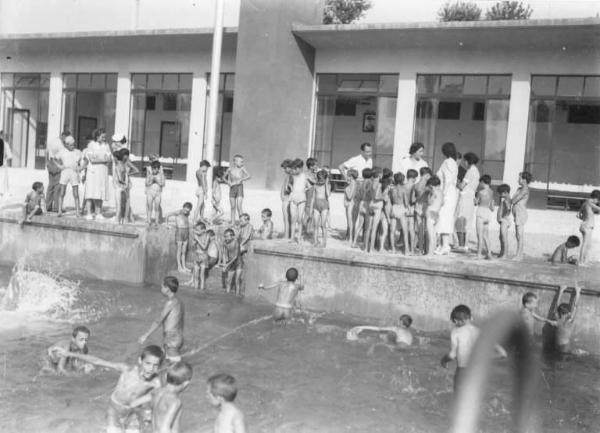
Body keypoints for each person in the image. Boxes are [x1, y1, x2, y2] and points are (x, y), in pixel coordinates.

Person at [56, 345, 164, 433]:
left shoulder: (155, 383)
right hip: (114, 411)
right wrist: (69, 354)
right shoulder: (128, 370)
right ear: (140, 360)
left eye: (155, 365)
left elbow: (159, 404)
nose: (150, 368)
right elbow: (97, 361)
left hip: (132, 415)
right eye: (148, 363)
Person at [440, 305, 506, 394]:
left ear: (456, 320)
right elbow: (502, 354)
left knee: (459, 402)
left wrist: (443, 361)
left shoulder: (456, 332)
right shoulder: (480, 332)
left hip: (462, 371)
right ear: (471, 318)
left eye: (453, 322)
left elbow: (452, 355)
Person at [130, 361, 193, 433]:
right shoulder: (175, 402)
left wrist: (142, 417)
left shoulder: (156, 392)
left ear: (166, 376)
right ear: (186, 383)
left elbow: (133, 404)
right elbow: (164, 429)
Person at [139, 276, 185, 363]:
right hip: (178, 337)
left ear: (167, 289)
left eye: (162, 287)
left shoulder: (170, 302)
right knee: (165, 362)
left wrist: (146, 335)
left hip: (172, 339)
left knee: (174, 366)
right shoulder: (179, 301)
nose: (161, 289)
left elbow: (158, 321)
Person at [82, 128, 112, 220]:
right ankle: (89, 213)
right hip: (93, 172)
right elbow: (92, 159)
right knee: (90, 192)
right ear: (97, 136)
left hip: (103, 172)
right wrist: (103, 159)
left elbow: (109, 159)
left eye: (105, 137)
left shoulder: (106, 145)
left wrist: (99, 158)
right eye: (102, 137)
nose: (104, 139)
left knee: (100, 192)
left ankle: (98, 213)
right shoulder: (91, 145)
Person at [435, 142, 459, 255]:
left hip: (447, 192)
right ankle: (441, 244)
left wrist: (443, 195)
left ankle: (445, 245)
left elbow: (448, 180)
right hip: (449, 192)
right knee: (442, 217)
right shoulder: (453, 162)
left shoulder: (448, 162)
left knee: (445, 217)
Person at [454, 152, 480, 252]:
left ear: (468, 161)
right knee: (468, 221)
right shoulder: (476, 171)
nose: (464, 162)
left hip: (465, 196)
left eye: (465, 160)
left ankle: (461, 245)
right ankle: (465, 245)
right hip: (471, 196)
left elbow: (461, 186)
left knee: (460, 220)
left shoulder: (470, 171)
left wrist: (455, 181)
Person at [545, 286, 582, 354]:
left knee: (559, 358)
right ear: (569, 313)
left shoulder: (557, 318)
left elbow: (557, 305)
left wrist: (561, 291)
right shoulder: (569, 321)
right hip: (565, 347)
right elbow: (575, 306)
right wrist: (578, 292)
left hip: (556, 345)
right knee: (565, 357)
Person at [54, 136, 83, 217]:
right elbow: (53, 159)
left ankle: (77, 211)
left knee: (76, 193)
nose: (73, 146)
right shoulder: (62, 152)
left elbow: (83, 160)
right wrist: (59, 166)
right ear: (66, 145)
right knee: (62, 192)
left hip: (74, 172)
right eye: (71, 145)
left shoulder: (77, 152)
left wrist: (80, 168)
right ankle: (59, 211)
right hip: (65, 172)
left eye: (73, 145)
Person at [346, 314, 413, 347]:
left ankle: (358, 340)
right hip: (406, 349)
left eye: (399, 320)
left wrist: (362, 327)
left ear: (401, 322)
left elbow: (378, 329)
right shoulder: (410, 333)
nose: (397, 321)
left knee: (374, 343)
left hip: (398, 347)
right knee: (388, 337)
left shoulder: (396, 328)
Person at [45, 130, 70, 212]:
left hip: (50, 162)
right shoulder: (60, 144)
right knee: (57, 187)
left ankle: (48, 206)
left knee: (51, 186)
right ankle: (56, 207)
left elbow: (47, 152)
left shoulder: (52, 141)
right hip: (57, 163)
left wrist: (47, 163)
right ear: (63, 136)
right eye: (67, 138)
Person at [190, 224, 219, 291]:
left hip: (204, 257)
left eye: (197, 230)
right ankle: (196, 289)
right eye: (195, 230)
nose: (196, 231)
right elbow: (192, 247)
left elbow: (204, 247)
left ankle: (202, 289)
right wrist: (194, 241)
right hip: (197, 256)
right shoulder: (196, 236)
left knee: (202, 276)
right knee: (196, 275)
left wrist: (197, 239)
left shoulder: (207, 236)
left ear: (203, 230)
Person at [113, 148, 139, 224]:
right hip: (119, 183)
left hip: (126, 183)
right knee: (120, 201)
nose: (125, 157)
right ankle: (123, 217)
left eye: (126, 155)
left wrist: (128, 174)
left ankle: (126, 218)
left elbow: (137, 170)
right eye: (124, 155)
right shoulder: (119, 162)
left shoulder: (127, 162)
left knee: (127, 201)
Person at [166, 203, 193, 273]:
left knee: (184, 251)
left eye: (188, 211)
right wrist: (167, 225)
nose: (186, 212)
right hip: (180, 232)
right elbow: (168, 215)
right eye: (185, 210)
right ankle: (179, 266)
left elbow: (185, 221)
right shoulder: (178, 212)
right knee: (179, 250)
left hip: (186, 231)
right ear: (183, 207)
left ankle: (184, 266)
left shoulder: (188, 214)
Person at [511, 171, 531, 261]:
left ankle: (519, 255)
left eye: (520, 178)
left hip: (521, 213)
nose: (518, 180)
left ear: (524, 180)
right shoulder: (519, 189)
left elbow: (514, 200)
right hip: (517, 213)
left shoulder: (524, 190)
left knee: (520, 234)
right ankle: (519, 254)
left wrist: (511, 200)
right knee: (517, 234)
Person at [577, 189, 600, 266]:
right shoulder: (589, 203)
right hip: (588, 226)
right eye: (598, 201)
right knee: (585, 244)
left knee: (588, 244)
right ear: (596, 198)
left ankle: (585, 261)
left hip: (584, 225)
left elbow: (578, 215)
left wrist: (585, 219)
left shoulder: (584, 203)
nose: (597, 203)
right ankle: (581, 262)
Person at [225, 154, 251, 222]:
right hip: (232, 188)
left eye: (242, 162)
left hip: (239, 187)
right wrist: (228, 183)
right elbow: (224, 177)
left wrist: (242, 179)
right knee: (233, 207)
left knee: (239, 206)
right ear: (235, 162)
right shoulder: (230, 169)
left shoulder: (242, 168)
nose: (242, 163)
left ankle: (243, 221)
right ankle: (232, 222)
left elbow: (249, 176)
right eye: (241, 162)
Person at [389, 172, 410, 255]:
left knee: (392, 231)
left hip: (394, 207)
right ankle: (407, 250)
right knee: (405, 231)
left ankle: (393, 249)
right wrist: (408, 208)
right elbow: (406, 202)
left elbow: (391, 200)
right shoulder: (404, 189)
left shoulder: (392, 189)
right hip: (401, 208)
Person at [289, 159, 309, 243]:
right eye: (294, 168)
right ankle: (292, 238)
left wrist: (305, 189)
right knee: (293, 218)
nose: (295, 170)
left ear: (300, 168)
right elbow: (289, 183)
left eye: (296, 168)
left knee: (300, 218)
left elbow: (311, 184)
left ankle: (299, 237)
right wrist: (291, 189)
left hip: (301, 198)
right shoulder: (292, 175)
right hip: (293, 197)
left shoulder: (305, 175)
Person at [351, 168, 372, 249]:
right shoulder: (370, 183)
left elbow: (358, 196)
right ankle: (365, 244)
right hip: (367, 203)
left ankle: (354, 242)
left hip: (361, 203)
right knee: (367, 226)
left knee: (359, 225)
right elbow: (370, 194)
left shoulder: (360, 184)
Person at [475, 175, 494, 260]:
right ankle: (489, 253)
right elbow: (491, 205)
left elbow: (476, 202)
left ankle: (479, 254)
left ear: (483, 182)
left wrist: (474, 199)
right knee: (486, 235)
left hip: (481, 211)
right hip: (487, 212)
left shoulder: (481, 192)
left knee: (479, 235)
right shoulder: (491, 192)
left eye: (480, 182)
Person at [413, 167, 432, 254]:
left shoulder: (416, 185)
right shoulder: (428, 186)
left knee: (419, 229)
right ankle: (427, 249)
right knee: (427, 229)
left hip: (418, 205)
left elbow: (413, 199)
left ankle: (420, 249)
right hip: (426, 206)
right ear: (427, 175)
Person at [365, 167, 384, 253]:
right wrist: (383, 197)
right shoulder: (379, 184)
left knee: (368, 228)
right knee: (374, 228)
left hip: (370, 204)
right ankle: (371, 248)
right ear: (379, 175)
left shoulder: (370, 183)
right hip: (377, 205)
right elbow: (377, 197)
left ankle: (366, 248)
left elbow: (368, 193)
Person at [311, 169, 330, 247]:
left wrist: (326, 184)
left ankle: (324, 242)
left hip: (324, 205)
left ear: (325, 179)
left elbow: (328, 195)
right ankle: (315, 241)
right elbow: (313, 197)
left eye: (322, 179)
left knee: (323, 225)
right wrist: (311, 208)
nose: (320, 180)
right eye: (319, 178)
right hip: (316, 205)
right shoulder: (315, 185)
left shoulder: (328, 185)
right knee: (315, 225)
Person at [221, 228, 243, 296]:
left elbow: (236, 256)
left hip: (238, 263)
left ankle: (237, 295)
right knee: (228, 281)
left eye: (227, 236)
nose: (226, 238)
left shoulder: (236, 242)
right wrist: (224, 264)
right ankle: (227, 296)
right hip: (231, 263)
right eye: (225, 236)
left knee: (237, 280)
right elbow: (224, 254)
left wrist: (227, 265)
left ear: (232, 236)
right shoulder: (225, 243)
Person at [424, 175, 442, 256]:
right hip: (436, 214)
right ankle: (431, 252)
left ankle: (430, 253)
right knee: (434, 235)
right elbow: (442, 203)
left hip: (430, 213)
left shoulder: (433, 192)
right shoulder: (441, 193)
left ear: (431, 185)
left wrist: (429, 196)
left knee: (430, 235)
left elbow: (430, 202)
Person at [146, 160, 166, 227]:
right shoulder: (150, 175)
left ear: (158, 169)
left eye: (155, 169)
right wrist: (151, 181)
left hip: (157, 193)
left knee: (157, 208)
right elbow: (146, 183)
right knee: (150, 207)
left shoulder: (161, 175)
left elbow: (163, 184)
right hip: (150, 193)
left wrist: (157, 181)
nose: (153, 170)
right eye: (152, 169)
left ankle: (156, 221)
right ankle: (149, 220)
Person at [496, 184, 512, 259]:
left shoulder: (506, 199)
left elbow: (508, 209)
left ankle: (505, 254)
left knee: (504, 237)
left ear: (505, 192)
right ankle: (502, 252)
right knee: (501, 236)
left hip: (505, 220)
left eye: (500, 193)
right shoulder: (504, 199)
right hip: (503, 219)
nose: (500, 195)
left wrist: (504, 217)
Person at [344, 169, 358, 243]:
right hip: (353, 203)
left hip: (351, 204)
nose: (347, 177)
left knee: (350, 222)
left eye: (348, 175)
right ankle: (349, 238)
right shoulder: (354, 182)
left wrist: (346, 189)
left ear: (351, 176)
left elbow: (350, 196)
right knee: (351, 222)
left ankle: (350, 239)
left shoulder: (353, 183)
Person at [280, 159, 293, 240]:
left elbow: (288, 188)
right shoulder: (289, 176)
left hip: (287, 199)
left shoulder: (290, 176)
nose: (284, 170)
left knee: (286, 218)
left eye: (285, 168)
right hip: (286, 198)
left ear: (289, 167)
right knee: (288, 218)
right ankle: (288, 234)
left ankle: (286, 235)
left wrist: (284, 194)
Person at [0, 130, 13, 202]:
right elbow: (9, 156)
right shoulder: (5, 144)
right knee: (3, 178)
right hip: (3, 164)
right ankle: (3, 192)